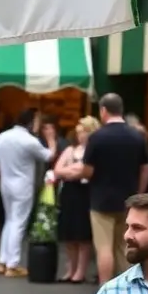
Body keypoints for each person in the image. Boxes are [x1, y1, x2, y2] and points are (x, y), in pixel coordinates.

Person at [78, 94, 148, 294]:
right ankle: (129, 291)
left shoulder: (97, 137)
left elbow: (87, 171)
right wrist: (139, 192)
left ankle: (105, 293)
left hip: (101, 200)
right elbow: (146, 168)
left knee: (104, 248)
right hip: (128, 200)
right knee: (124, 246)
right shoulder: (137, 136)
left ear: (103, 110)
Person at [0, 108, 57, 277]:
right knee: (18, 223)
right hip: (23, 184)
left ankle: (3, 261)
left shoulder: (2, 137)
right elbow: (49, 156)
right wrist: (51, 139)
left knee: (10, 220)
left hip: (5, 183)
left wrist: (4, 174)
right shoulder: (29, 141)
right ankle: (13, 264)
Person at [55, 116, 99, 283]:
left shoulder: (94, 151)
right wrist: (74, 170)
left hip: (86, 194)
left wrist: (71, 170)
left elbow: (87, 171)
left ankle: (80, 272)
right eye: (79, 132)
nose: (81, 136)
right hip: (69, 194)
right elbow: (58, 170)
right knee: (69, 235)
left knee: (83, 235)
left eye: (85, 132)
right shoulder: (70, 150)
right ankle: (70, 269)